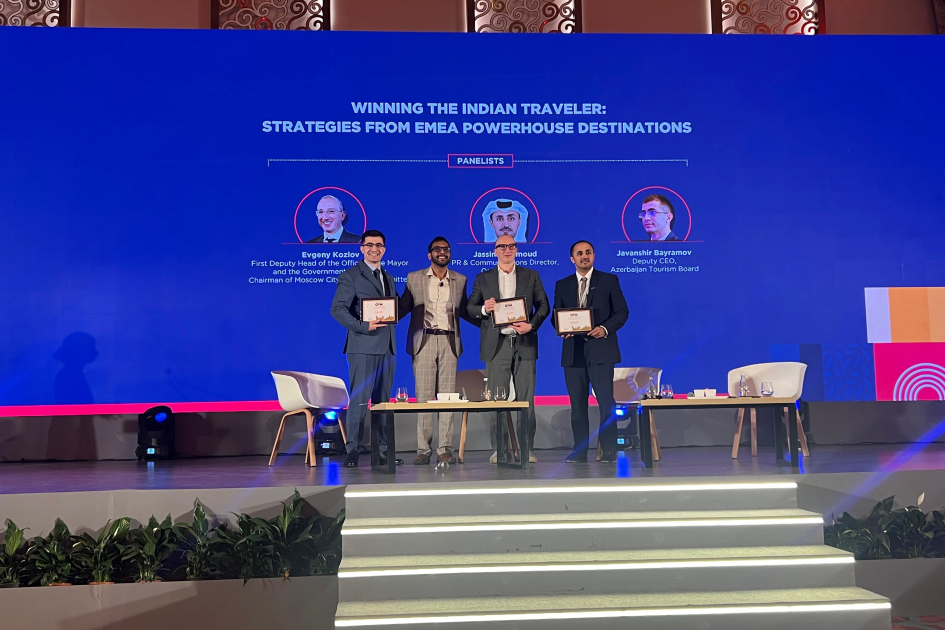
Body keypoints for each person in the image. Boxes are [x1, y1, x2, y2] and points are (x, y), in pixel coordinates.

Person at [467, 234, 550, 463]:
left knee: (526, 399)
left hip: (524, 341)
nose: (507, 249)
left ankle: (526, 448)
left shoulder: (531, 275)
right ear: (495, 251)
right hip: (497, 344)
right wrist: (484, 309)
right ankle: (500, 449)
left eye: (511, 246)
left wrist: (531, 325)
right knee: (498, 400)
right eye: (502, 246)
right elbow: (470, 307)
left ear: (516, 250)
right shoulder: (483, 278)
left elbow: (544, 305)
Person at [399, 237, 477, 465]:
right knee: (424, 397)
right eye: (437, 249)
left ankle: (444, 449)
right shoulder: (414, 278)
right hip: (423, 340)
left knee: (447, 398)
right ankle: (424, 449)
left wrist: (492, 320)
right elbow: (403, 307)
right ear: (429, 254)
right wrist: (381, 314)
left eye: (446, 249)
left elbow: (465, 311)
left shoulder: (460, 279)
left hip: (449, 341)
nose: (442, 252)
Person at [330, 229, 402, 467]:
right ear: (361, 248)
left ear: (384, 249)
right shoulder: (350, 275)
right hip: (363, 345)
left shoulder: (388, 277)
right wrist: (363, 325)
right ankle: (353, 449)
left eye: (379, 245)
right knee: (360, 401)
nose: (374, 249)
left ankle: (382, 450)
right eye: (369, 245)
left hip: (387, 347)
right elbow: (338, 309)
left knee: (383, 402)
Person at [553, 241, 629, 463]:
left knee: (606, 402)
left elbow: (622, 312)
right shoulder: (562, 284)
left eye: (588, 252)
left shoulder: (609, 280)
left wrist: (604, 328)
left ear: (594, 255)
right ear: (572, 259)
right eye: (579, 253)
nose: (584, 256)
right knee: (577, 405)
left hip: (601, 350)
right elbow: (556, 316)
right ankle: (580, 451)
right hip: (573, 352)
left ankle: (609, 449)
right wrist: (562, 329)